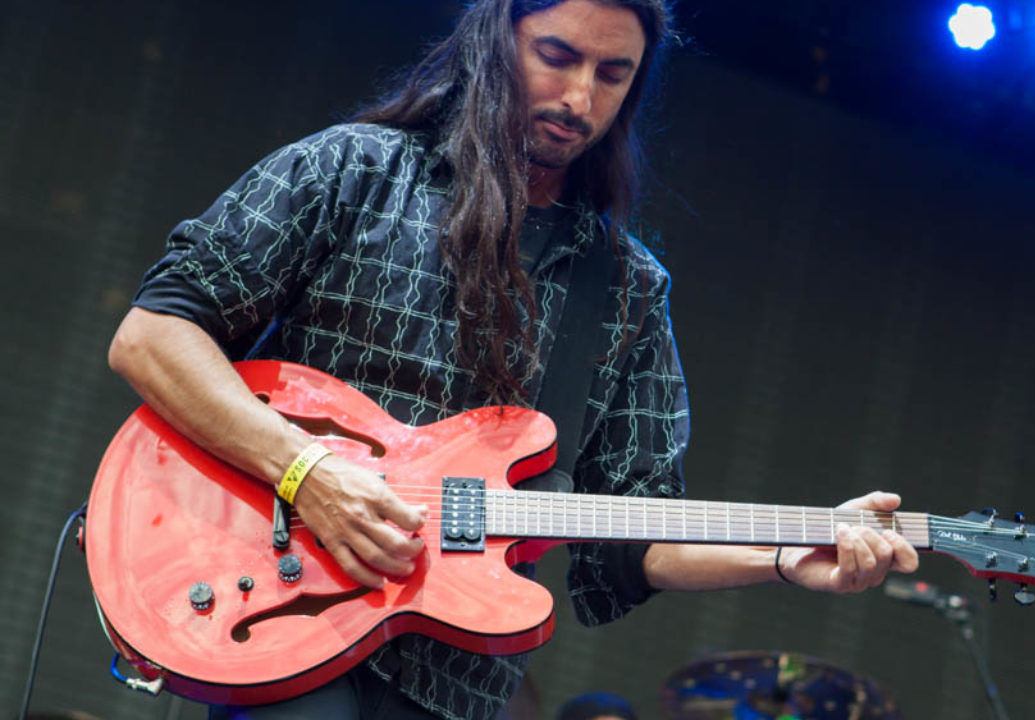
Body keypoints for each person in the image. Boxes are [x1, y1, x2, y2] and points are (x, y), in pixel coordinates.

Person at [106, 1, 920, 718]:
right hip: (277, 618)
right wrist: (306, 474)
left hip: (457, 684)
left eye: (612, 74)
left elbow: (635, 538)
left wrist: (790, 554)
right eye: (557, 56)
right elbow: (153, 337)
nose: (579, 98)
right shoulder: (352, 170)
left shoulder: (629, 290)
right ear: (495, 41)